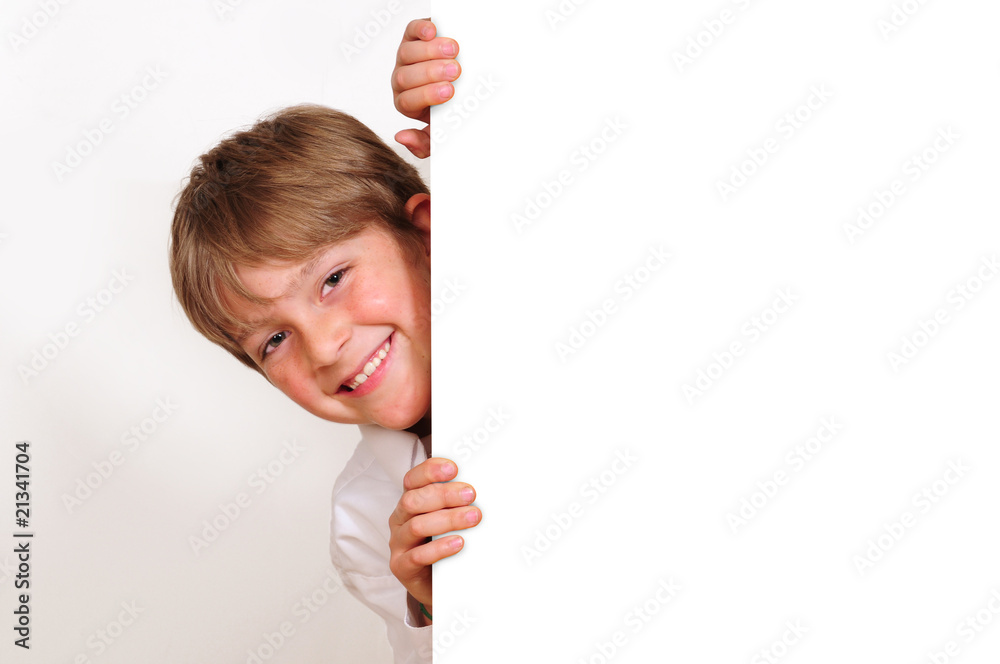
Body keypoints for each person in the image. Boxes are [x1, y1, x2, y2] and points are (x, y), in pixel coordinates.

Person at [168, 18, 478, 664]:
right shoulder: (363, 522)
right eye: (274, 339)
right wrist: (433, 608)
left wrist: (474, 102)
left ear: (426, 235)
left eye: (333, 279)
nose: (325, 345)